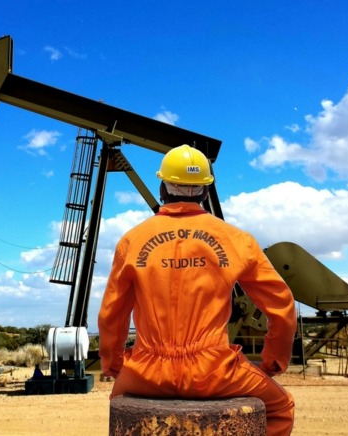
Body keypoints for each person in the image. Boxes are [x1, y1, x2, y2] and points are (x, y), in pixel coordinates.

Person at [98, 144, 296, 435]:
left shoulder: (132, 240)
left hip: (146, 371)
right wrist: (273, 361)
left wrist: (114, 365)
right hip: (214, 372)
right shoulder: (236, 239)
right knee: (281, 407)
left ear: (163, 188)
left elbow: (111, 313)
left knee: (119, 404)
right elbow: (282, 306)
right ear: (205, 191)